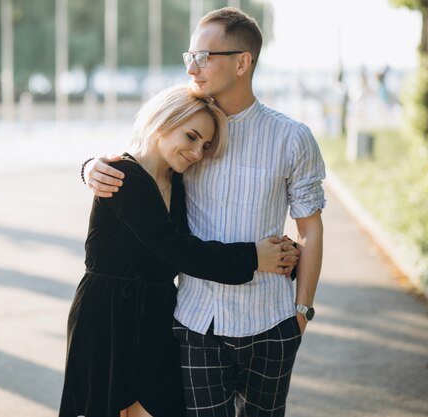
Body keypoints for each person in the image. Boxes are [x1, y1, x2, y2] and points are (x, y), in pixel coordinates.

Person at [83, 7, 325, 417]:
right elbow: (142, 165)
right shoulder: (189, 128)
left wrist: (300, 315)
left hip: (271, 321)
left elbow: (311, 231)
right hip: (196, 323)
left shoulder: (292, 137)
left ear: (242, 62)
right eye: (189, 56)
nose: (192, 67)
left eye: (204, 56)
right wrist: (91, 167)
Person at [60, 84, 301, 417]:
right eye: (191, 137)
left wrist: (282, 254)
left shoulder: (179, 182)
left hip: (158, 316)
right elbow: (180, 250)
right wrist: (254, 257)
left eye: (205, 145)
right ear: (162, 122)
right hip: (108, 315)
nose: (198, 153)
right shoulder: (124, 177)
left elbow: (209, 229)